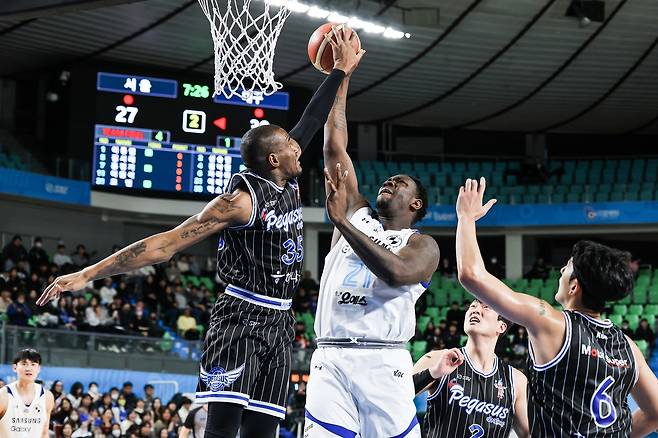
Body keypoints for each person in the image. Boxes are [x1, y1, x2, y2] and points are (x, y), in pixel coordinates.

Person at [37, 29, 362, 438]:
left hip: (281, 323)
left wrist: (339, 72)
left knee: (264, 431)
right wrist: (87, 274)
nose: (300, 148)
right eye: (290, 146)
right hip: (240, 318)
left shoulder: (288, 177)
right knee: (223, 428)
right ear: (274, 158)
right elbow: (163, 245)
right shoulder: (240, 201)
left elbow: (312, 120)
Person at [303, 27, 438, 437]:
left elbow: (396, 274)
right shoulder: (359, 212)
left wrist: (342, 223)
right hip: (329, 357)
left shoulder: (422, 245)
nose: (389, 183)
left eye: (401, 183)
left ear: (415, 205)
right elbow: (334, 146)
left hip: (384, 362)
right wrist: (341, 75)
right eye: (389, 180)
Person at [455, 177, 658, 436]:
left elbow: (471, 275)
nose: (561, 269)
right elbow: (656, 413)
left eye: (568, 267)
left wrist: (466, 217)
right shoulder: (628, 346)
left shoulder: (550, 321)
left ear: (575, 287)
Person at [413, 300, 530, 437]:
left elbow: (529, 434)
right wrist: (432, 373)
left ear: (502, 326)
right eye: (472, 306)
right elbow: (396, 395)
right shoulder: (437, 359)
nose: (475, 310)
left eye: (486, 307)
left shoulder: (515, 380)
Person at [0, 348, 54, 438]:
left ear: (39, 368)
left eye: (33, 364)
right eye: (24, 364)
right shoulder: (3, 396)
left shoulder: (47, 397)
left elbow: (44, 433)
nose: (29, 368)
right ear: (14, 367)